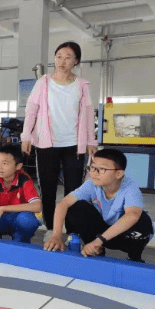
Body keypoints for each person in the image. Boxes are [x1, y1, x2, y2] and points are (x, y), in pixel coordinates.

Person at [21, 41, 97, 241]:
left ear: (76, 61)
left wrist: (91, 140)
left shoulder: (82, 85)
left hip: (74, 144)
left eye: (68, 57)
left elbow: (88, 114)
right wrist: (26, 136)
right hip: (46, 144)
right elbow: (31, 110)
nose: (62, 61)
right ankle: (50, 227)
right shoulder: (44, 82)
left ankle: (72, 232)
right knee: (48, 187)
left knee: (74, 189)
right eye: (59, 56)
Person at [44, 149, 154, 262]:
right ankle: (97, 250)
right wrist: (56, 235)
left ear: (118, 174)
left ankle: (134, 256)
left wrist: (98, 240)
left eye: (102, 169)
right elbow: (63, 204)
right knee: (76, 207)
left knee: (142, 220)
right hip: (102, 232)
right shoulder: (91, 184)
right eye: (92, 167)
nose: (94, 173)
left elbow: (133, 216)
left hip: (124, 237)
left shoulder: (130, 189)